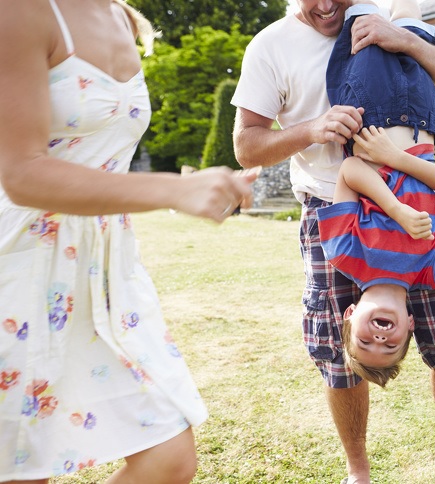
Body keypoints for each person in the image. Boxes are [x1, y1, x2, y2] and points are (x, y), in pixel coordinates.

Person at [0, 1, 258, 482]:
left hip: (105, 270)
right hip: (23, 263)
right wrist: (175, 190)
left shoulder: (120, 16)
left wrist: (202, 185)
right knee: (24, 471)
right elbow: (21, 174)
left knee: (170, 457)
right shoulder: (22, 10)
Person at [231, 0, 435, 482]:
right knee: (339, 360)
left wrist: (403, 38)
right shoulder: (271, 45)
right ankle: (359, 472)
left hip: (417, 203)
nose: (325, 6)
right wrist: (310, 130)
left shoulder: (386, 11)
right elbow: (246, 146)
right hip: (332, 211)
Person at [317, 0, 435, 385]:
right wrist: (397, 159)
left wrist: (397, 207)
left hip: (367, 106)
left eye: (366, 342)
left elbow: (351, 169)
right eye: (390, 345)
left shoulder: (344, 255)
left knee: (364, 13)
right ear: (410, 325)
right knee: (408, 15)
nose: (380, 338)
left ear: (349, 315)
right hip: (421, 117)